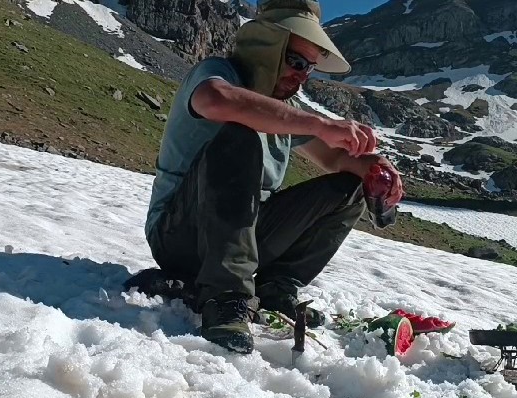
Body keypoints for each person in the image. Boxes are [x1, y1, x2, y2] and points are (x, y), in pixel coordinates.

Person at [143, 0, 403, 353]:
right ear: (267, 48)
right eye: (296, 61)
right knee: (239, 136)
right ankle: (226, 298)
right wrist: (319, 123)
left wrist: (376, 168)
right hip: (178, 235)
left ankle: (275, 286)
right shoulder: (219, 74)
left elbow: (337, 159)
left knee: (349, 188)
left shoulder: (287, 111)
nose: (302, 75)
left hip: (245, 237)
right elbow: (217, 101)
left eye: (309, 67)